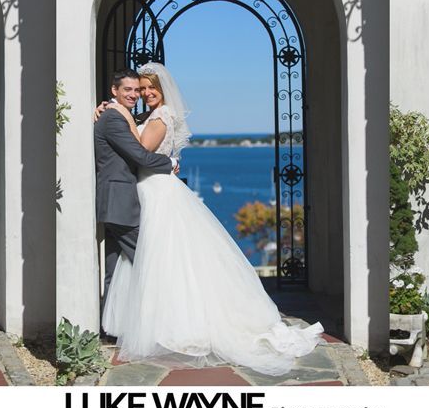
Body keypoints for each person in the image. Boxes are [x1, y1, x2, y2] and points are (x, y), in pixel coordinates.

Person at [99, 63, 323, 376]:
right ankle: (138, 322)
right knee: (148, 260)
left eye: (150, 88)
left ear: (163, 91)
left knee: (161, 261)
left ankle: (177, 322)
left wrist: (121, 115)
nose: (145, 94)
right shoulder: (145, 115)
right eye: (141, 89)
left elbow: (141, 150)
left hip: (156, 190)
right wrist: (120, 115)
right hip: (148, 191)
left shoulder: (160, 115)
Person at [93, 69, 176, 307]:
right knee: (148, 262)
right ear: (114, 91)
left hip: (121, 200)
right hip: (120, 201)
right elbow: (141, 156)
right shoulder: (115, 117)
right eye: (128, 89)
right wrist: (171, 162)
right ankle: (164, 318)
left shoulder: (128, 115)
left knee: (116, 266)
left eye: (136, 90)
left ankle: (111, 325)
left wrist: (117, 110)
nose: (136, 94)